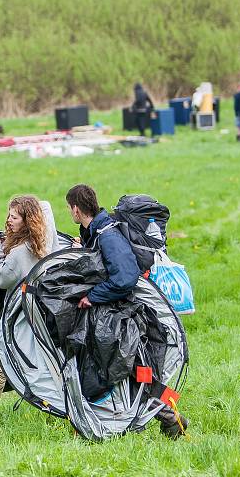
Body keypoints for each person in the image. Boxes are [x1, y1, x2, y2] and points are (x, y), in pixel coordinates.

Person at [65, 184, 188, 439]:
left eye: (69, 208)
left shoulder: (108, 235)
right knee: (131, 372)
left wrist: (92, 297)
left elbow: (124, 279)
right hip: (120, 311)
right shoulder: (97, 231)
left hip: (132, 314)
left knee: (135, 371)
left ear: (76, 209)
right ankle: (167, 417)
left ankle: (170, 417)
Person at [0, 195, 60, 424]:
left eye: (14, 217)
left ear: (26, 220)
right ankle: (59, 409)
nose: (9, 220)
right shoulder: (43, 240)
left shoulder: (20, 252)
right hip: (42, 312)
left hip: (18, 316)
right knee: (47, 360)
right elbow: (46, 206)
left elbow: (2, 280)